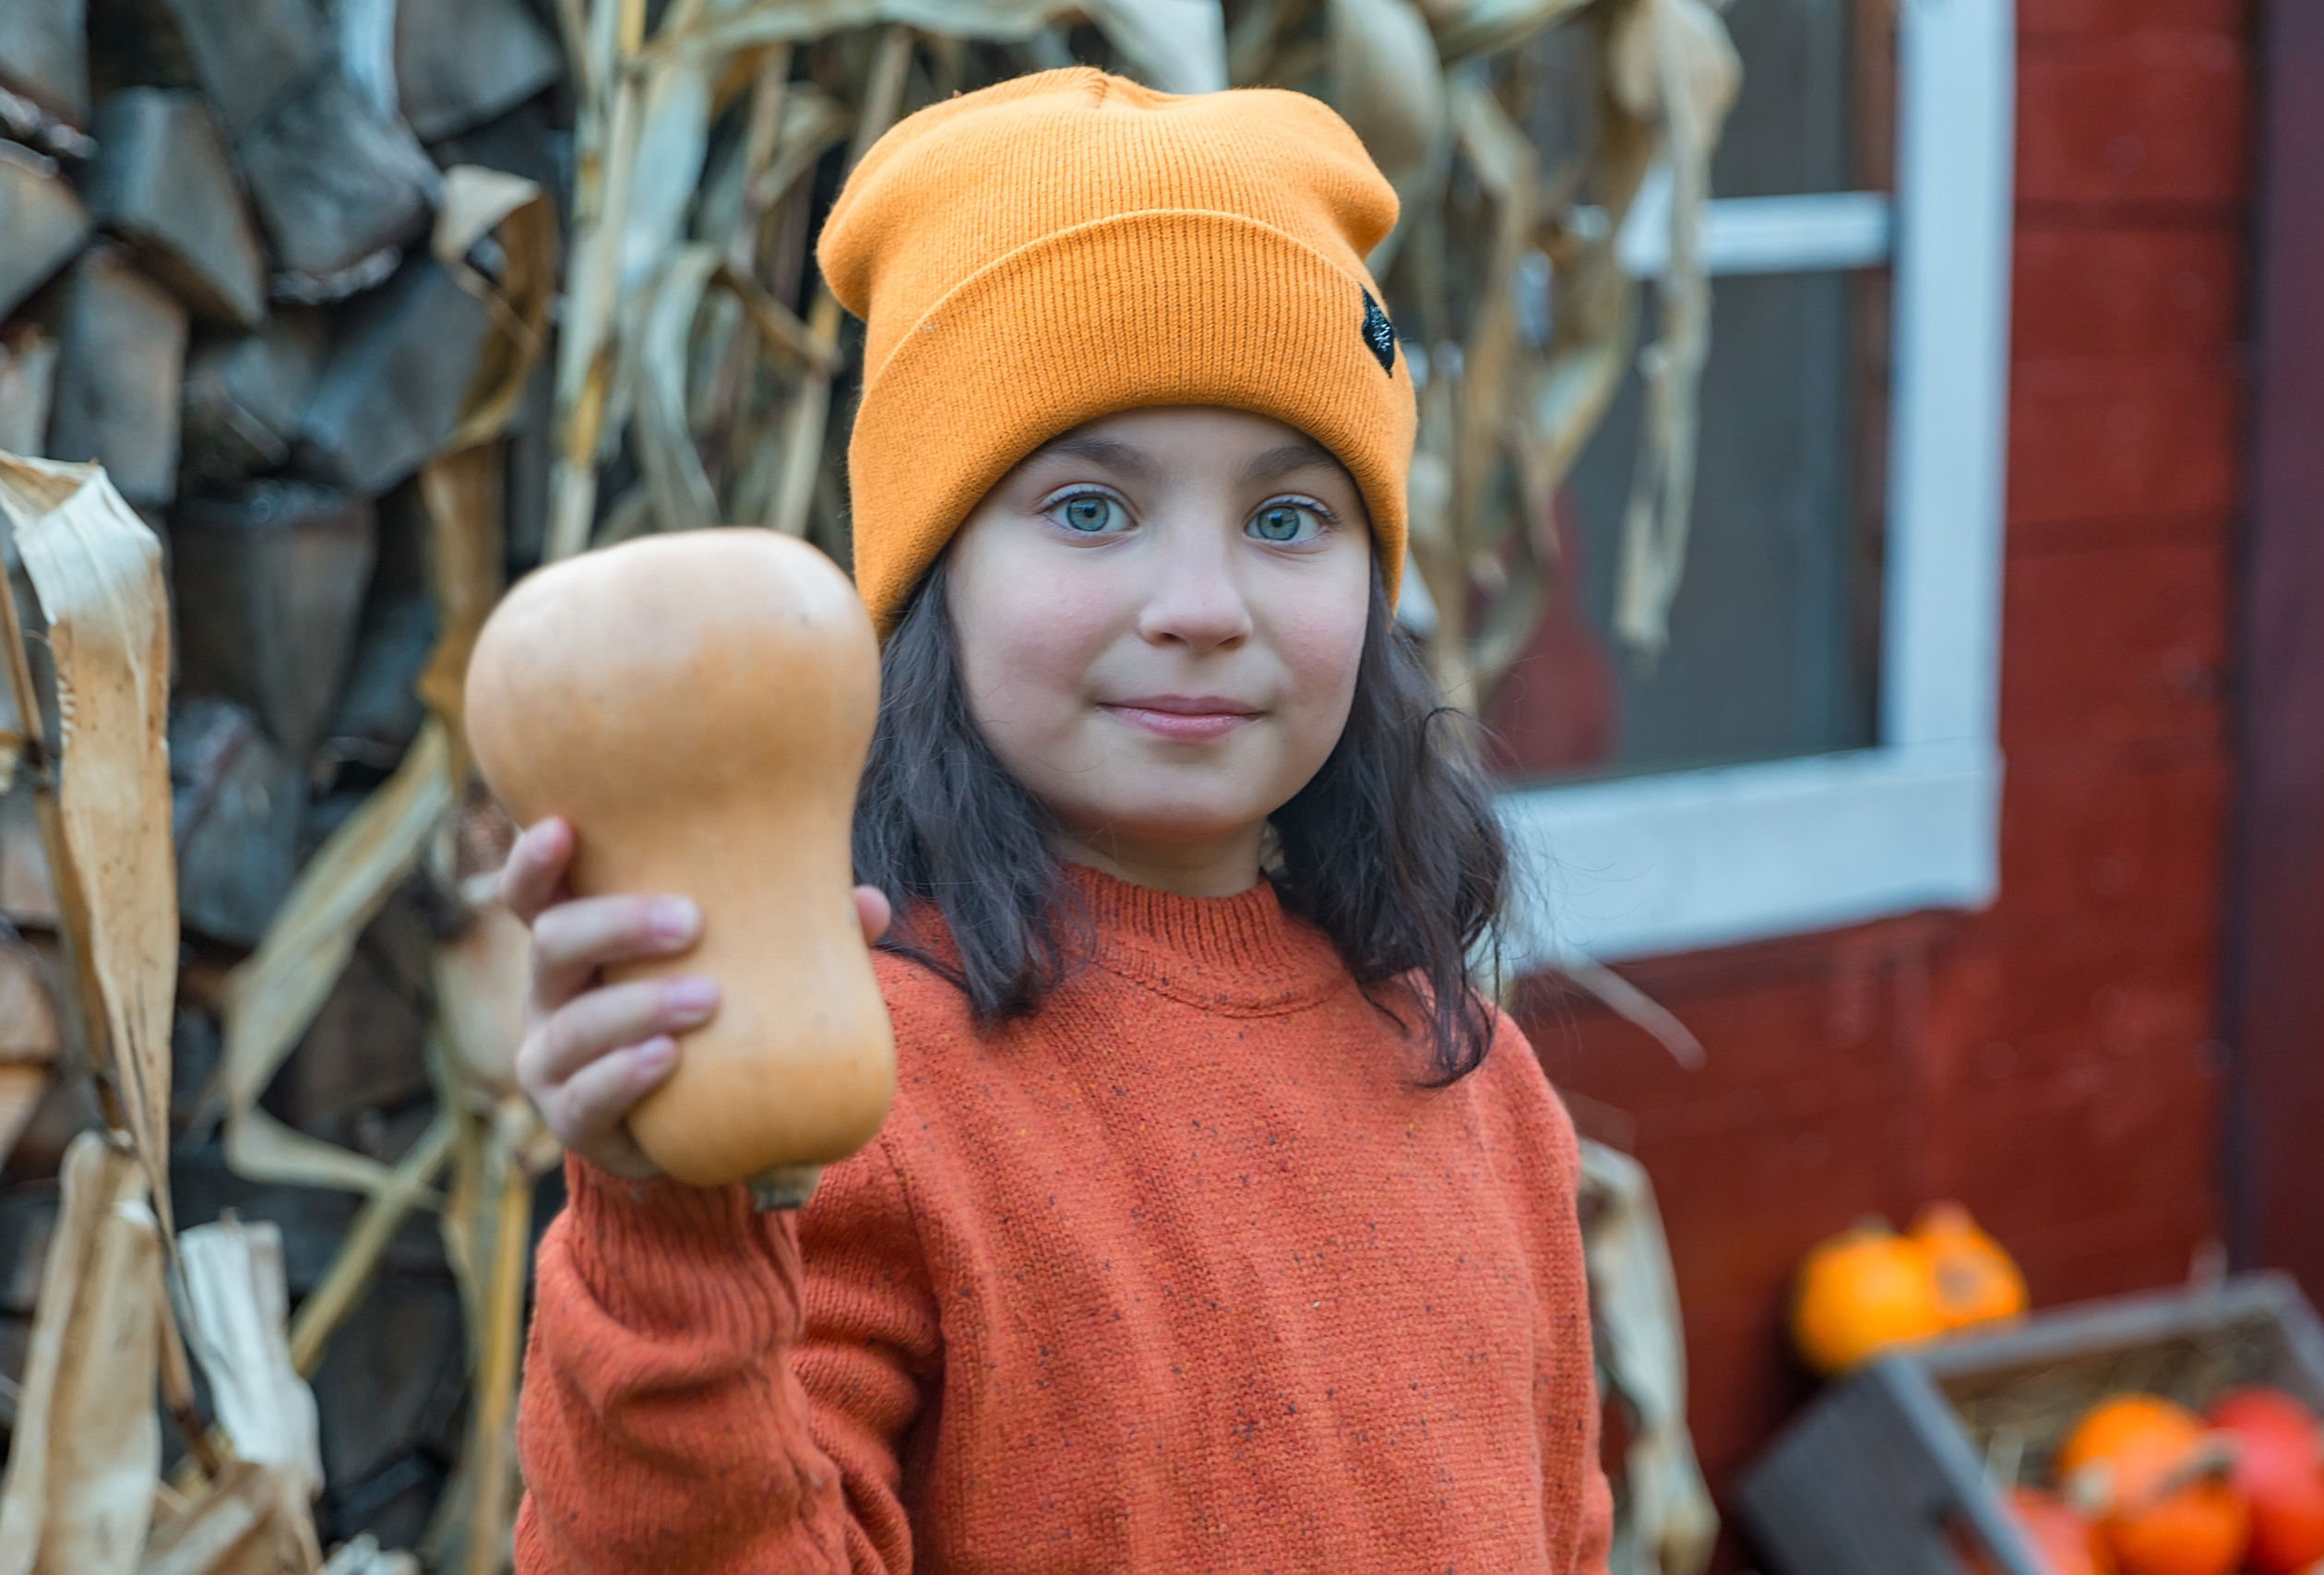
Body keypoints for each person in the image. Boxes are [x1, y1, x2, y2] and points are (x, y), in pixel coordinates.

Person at [505, 67, 1614, 1572]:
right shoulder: (860, 1098)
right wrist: (666, 1237)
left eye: (1291, 518)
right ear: (930, 579)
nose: (1202, 609)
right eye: (1091, 508)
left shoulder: (1477, 1087)